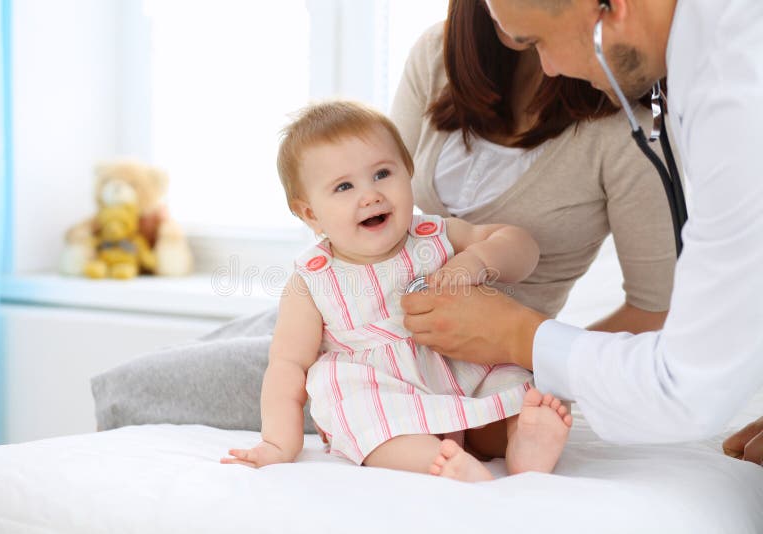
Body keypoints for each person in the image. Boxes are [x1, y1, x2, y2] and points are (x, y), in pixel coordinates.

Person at [402, 0, 763, 464]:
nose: (547, 68)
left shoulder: (735, 94)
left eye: (539, 42)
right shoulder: (710, 61)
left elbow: (686, 384)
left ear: (612, 8)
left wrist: (520, 337)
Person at [221, 101, 574, 482]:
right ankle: (437, 461)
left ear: (408, 173)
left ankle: (523, 439)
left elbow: (522, 245)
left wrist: (477, 260)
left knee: (508, 384)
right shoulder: (311, 280)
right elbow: (288, 366)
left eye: (382, 173)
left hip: (457, 366)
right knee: (358, 409)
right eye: (344, 186)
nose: (370, 195)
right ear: (310, 214)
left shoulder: (435, 237)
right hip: (382, 391)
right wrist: (277, 442)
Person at [391, 0, 676, 333]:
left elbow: (657, 311)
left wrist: (529, 352)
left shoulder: (632, 127)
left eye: (536, 39)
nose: (548, 65)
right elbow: (367, 192)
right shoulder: (435, 56)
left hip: (504, 374)